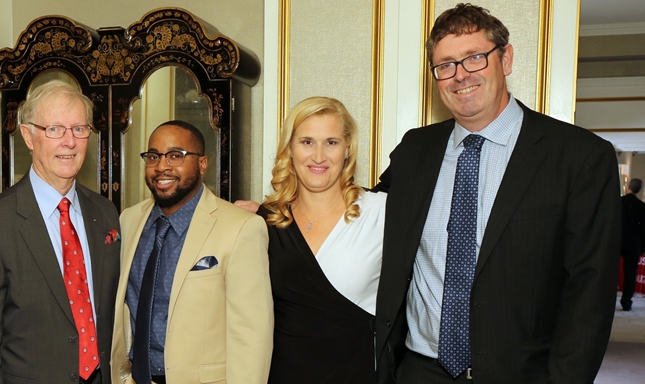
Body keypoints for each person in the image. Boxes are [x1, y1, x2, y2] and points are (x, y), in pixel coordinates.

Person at [374, 4, 620, 383]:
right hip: (419, 371)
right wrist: (279, 211)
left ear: (505, 58)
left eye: (474, 58)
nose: (460, 76)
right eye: (446, 65)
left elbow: (590, 295)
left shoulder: (579, 156)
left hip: (522, 374)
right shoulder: (415, 151)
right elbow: (360, 211)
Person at [0, 80, 121, 384]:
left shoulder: (105, 212)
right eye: (55, 129)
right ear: (29, 136)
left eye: (79, 129)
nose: (69, 142)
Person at [111, 120, 273, 384]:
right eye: (153, 156)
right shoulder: (128, 220)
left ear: (202, 164)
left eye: (176, 155)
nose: (162, 166)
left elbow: (252, 335)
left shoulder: (241, 227)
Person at [252, 97, 384, 383]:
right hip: (282, 373)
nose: (319, 156)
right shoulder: (267, 220)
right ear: (290, 147)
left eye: (332, 142)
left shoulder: (381, 214)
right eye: (307, 142)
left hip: (356, 371)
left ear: (348, 148)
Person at [620, 178, 645, 311]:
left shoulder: (618, 203)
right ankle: (626, 302)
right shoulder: (642, 207)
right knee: (630, 274)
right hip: (633, 244)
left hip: (616, 242)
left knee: (610, 272)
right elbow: (644, 230)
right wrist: (643, 248)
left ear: (628, 187)